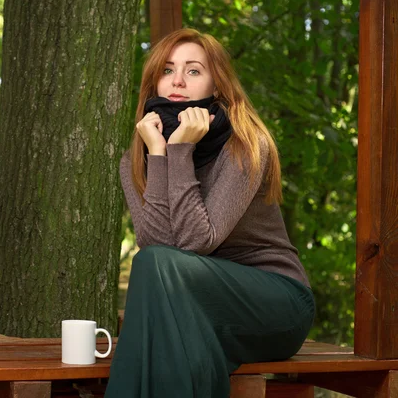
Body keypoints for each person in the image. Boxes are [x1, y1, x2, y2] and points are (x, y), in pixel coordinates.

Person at [104, 29, 315, 398]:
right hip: (196, 307)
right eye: (168, 70)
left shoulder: (246, 146)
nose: (179, 80)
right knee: (158, 281)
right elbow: (157, 247)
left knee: (156, 271)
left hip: (274, 304)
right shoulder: (136, 158)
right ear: (154, 81)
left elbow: (195, 243)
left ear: (217, 86)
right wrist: (158, 154)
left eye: (194, 71)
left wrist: (180, 152)